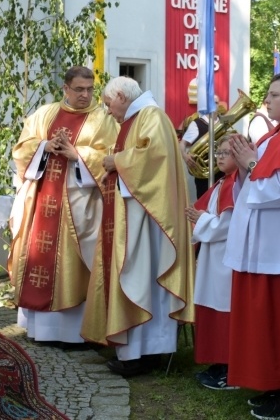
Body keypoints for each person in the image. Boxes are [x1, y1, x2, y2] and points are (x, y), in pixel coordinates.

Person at [83, 76, 195, 376]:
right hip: (134, 214)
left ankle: (145, 354)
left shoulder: (152, 116)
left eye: (108, 104)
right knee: (139, 278)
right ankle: (139, 353)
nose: (108, 111)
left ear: (120, 95)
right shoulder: (137, 118)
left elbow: (153, 157)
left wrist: (116, 160)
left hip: (147, 218)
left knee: (142, 278)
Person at [222, 72, 280, 419]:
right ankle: (275, 383)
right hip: (263, 244)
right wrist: (245, 163)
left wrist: (249, 162)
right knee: (266, 322)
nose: (266, 100)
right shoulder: (277, 135)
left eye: (274, 94)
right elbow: (255, 181)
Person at [8, 66, 118, 344]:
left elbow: (112, 155)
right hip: (44, 200)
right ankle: (40, 330)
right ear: (65, 89)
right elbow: (21, 148)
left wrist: (77, 154)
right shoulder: (45, 114)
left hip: (80, 202)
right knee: (38, 258)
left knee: (76, 265)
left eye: (89, 89)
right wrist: (44, 147)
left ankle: (74, 334)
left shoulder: (102, 120)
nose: (85, 95)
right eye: (79, 89)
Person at [184, 134, 240, 390]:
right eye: (218, 152)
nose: (219, 157)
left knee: (225, 313)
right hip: (212, 257)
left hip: (225, 258)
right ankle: (218, 363)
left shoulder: (234, 185)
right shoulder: (223, 183)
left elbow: (226, 226)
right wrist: (199, 216)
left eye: (226, 153)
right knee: (212, 309)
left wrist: (200, 218)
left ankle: (229, 367)